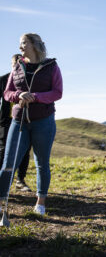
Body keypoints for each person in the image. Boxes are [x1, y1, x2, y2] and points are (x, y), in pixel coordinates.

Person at [0, 33, 63, 215]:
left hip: (43, 121)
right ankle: (2, 202)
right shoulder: (17, 67)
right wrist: (18, 95)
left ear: (34, 45)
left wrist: (35, 97)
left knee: (41, 163)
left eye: (23, 43)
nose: (20, 47)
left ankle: (40, 203)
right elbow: (7, 92)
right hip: (18, 121)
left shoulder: (51, 66)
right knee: (8, 163)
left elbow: (57, 92)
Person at [0, 54, 32, 192]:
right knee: (3, 151)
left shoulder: (30, 80)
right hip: (6, 122)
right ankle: (2, 181)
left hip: (25, 120)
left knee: (24, 150)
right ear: (12, 64)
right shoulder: (3, 80)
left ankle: (20, 180)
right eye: (15, 64)